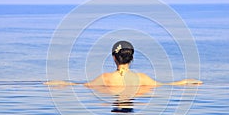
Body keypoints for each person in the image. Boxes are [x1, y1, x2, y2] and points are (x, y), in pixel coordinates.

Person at [44, 40, 202, 87]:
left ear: (114, 58)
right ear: (132, 58)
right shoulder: (142, 78)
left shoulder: (105, 78)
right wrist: (191, 80)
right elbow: (172, 84)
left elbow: (74, 85)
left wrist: (51, 83)